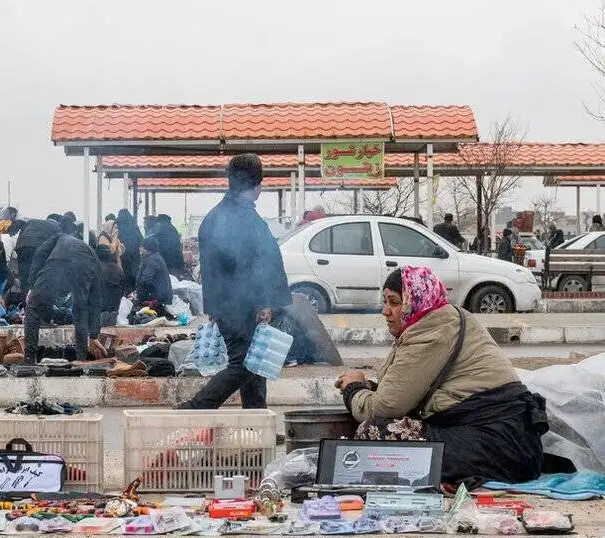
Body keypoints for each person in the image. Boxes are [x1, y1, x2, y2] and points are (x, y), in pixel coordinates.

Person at [334, 266, 546, 487]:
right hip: (512, 440)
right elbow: (406, 392)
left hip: (501, 445)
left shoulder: (430, 332)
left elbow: (384, 408)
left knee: (374, 432)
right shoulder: (442, 318)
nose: (385, 311)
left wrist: (353, 389)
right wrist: (367, 387)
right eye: (384, 302)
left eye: (394, 303)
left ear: (414, 303)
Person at [179, 154, 291, 410]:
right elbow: (255, 265)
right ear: (258, 184)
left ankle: (256, 422)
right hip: (242, 305)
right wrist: (264, 302)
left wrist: (213, 305)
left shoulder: (214, 216)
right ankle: (196, 407)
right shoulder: (244, 219)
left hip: (226, 304)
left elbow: (212, 268)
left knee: (255, 365)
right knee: (244, 364)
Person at [22, 223, 102, 364]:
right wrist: (94, 335)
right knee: (80, 310)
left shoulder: (61, 237)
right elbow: (95, 301)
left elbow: (40, 254)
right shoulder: (93, 256)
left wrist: (33, 284)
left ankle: (29, 359)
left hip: (58, 262)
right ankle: (81, 358)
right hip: (83, 266)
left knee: (33, 307)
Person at [14, 214, 61, 291]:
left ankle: (23, 293)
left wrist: (18, 250)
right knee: (36, 275)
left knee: (24, 274)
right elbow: (56, 246)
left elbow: (21, 235)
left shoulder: (31, 221)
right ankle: (32, 294)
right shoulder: (56, 227)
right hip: (39, 248)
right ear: (58, 222)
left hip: (22, 247)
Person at [135, 236, 173, 309]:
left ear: (148, 248)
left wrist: (139, 295)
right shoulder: (155, 257)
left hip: (157, 297)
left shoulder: (151, 260)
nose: (140, 248)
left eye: (142, 246)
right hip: (160, 295)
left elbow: (145, 280)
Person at [114, 209, 143, 294]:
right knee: (134, 275)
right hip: (134, 256)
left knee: (124, 277)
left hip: (122, 256)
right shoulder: (134, 226)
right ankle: (133, 294)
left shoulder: (118, 226)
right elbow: (141, 240)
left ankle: (124, 294)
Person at [97, 244, 125, 327]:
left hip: (99, 310)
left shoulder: (95, 269)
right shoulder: (118, 270)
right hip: (114, 309)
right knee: (110, 332)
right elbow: (122, 290)